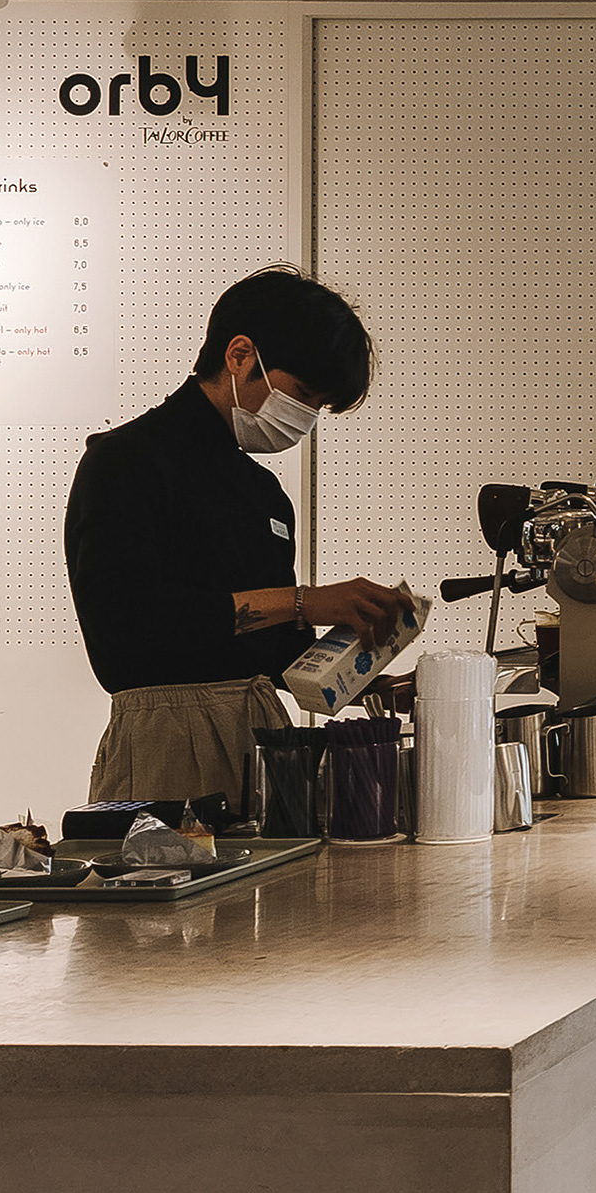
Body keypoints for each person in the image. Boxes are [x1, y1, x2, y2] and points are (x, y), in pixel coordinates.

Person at [63, 267, 410, 805]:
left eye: (318, 407)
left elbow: (276, 655)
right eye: (303, 394)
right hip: (165, 744)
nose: (306, 418)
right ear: (241, 355)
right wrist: (305, 601)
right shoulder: (125, 462)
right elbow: (126, 627)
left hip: (264, 738)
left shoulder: (264, 494)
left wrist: (365, 680)